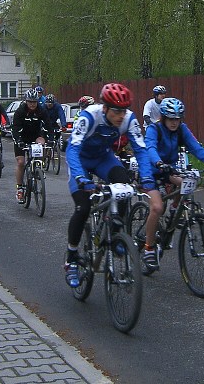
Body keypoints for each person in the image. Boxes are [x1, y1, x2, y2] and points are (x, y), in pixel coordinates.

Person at [63, 83, 154, 287]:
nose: (121, 116)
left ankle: (115, 233)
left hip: (104, 159)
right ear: (104, 108)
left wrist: (147, 178)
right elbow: (72, 149)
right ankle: (71, 258)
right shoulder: (89, 116)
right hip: (82, 161)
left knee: (123, 185)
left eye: (124, 110)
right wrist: (80, 178)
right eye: (116, 111)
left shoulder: (129, 119)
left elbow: (140, 149)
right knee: (83, 206)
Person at [142, 97, 204, 273]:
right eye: (171, 118)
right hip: (151, 170)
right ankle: (148, 248)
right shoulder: (154, 129)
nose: (174, 122)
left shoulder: (181, 130)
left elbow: (196, 147)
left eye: (177, 119)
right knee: (157, 208)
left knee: (187, 182)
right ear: (163, 117)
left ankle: (175, 211)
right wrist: (158, 163)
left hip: (169, 169)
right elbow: (150, 149)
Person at [10, 89, 50, 204]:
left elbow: (48, 125)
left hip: (35, 136)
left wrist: (50, 139)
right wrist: (18, 141)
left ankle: (39, 168)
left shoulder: (41, 110)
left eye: (34, 102)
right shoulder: (20, 111)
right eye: (30, 102)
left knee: (42, 144)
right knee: (21, 162)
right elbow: (15, 129)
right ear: (26, 101)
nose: (32, 104)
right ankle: (20, 188)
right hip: (21, 138)